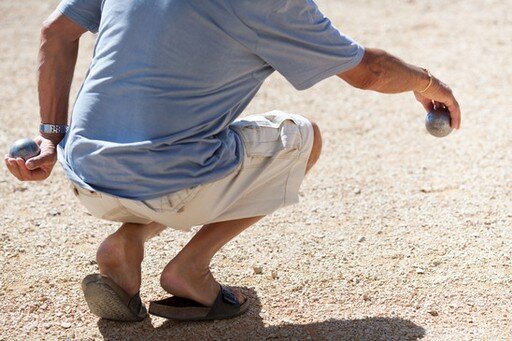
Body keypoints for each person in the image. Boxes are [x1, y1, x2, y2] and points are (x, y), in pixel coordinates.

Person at [4, 0, 461, 322]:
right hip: (169, 182)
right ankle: (189, 269)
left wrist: (51, 138)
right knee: (302, 137)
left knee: (176, 150)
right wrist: (426, 81)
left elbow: (55, 32)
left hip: (86, 175)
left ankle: (128, 240)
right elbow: (372, 71)